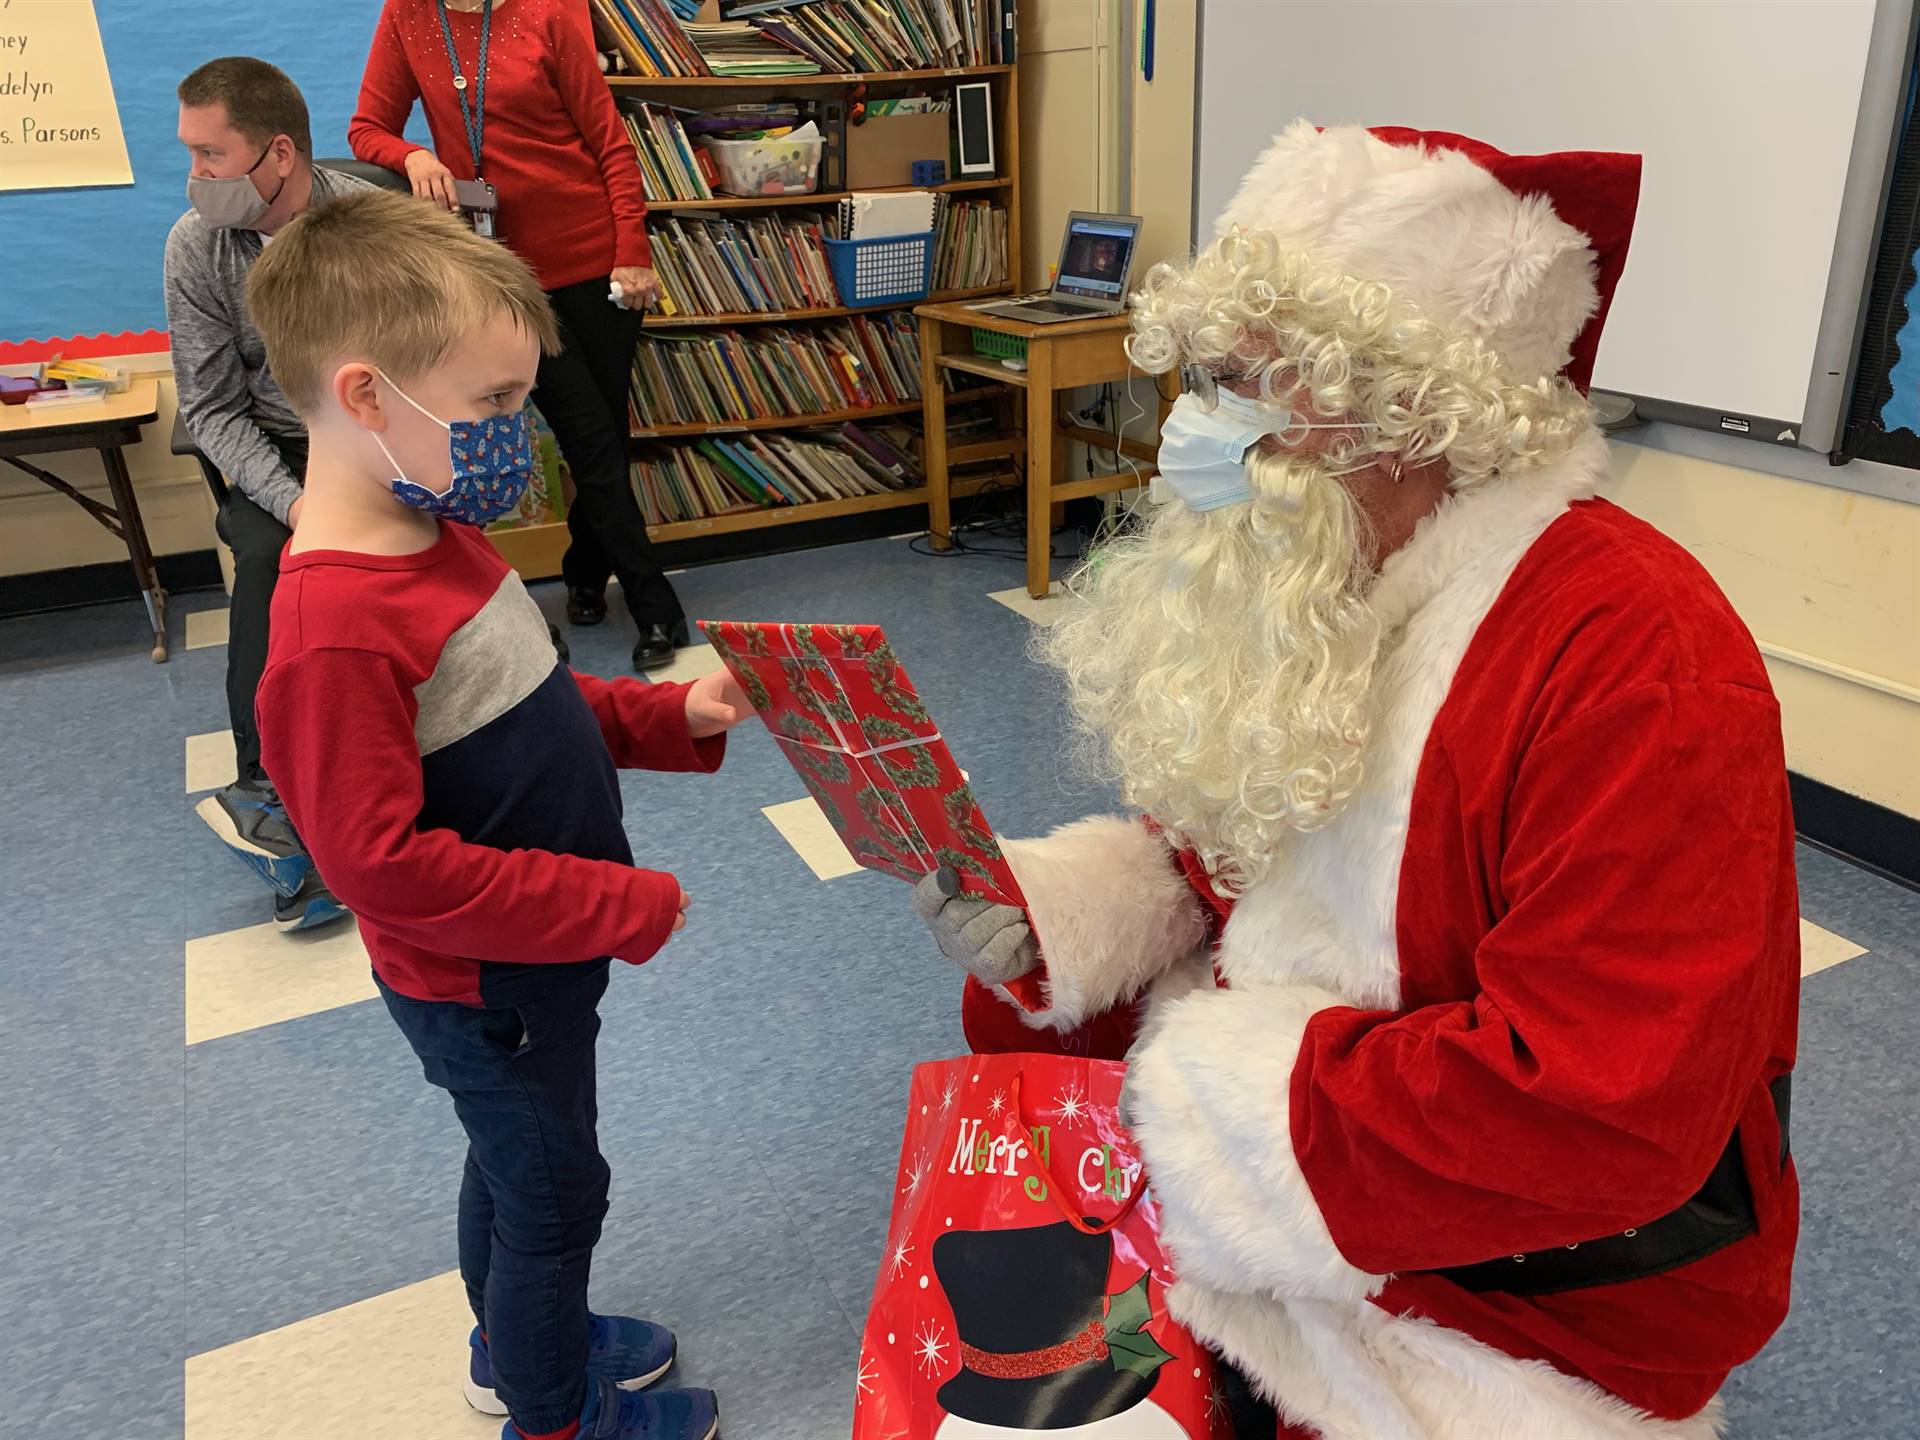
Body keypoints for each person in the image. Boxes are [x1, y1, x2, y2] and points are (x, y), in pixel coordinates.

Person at [913, 123, 1799, 1439]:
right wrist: (1077, 924)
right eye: (1202, 382)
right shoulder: (1319, 584)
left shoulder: (1636, 657)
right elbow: (1232, 863)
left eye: (1246, 389)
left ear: (1406, 407)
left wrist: (1205, 1112)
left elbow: (1597, 1110)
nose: (1195, 432)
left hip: (1504, 1329)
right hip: (1281, 1242)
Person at [245, 187, 744, 1440]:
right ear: (366, 399)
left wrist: (660, 721)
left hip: (534, 967)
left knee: (516, 1162)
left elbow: (525, 698)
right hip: (488, 985)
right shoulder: (332, 634)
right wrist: (614, 905)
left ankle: (519, 1344)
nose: (517, 437)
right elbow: (381, 866)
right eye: (492, 409)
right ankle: (553, 1413)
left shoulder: (429, 529)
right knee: (556, 1193)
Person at [348, 0, 690, 673]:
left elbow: (608, 140)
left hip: (596, 257)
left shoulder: (550, 9)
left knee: (605, 434)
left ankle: (585, 572)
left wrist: (632, 247)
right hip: (506, 273)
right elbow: (366, 128)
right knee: (588, 434)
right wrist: (413, 154)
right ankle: (655, 606)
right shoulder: (407, 16)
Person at [166, 56, 367, 932]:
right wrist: (295, 503)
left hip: (373, 436)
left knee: (425, 565)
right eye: (192, 154)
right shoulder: (197, 245)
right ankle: (273, 803)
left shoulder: (374, 224)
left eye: (212, 155)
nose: (196, 176)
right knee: (269, 565)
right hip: (274, 450)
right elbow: (209, 405)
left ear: (278, 153)